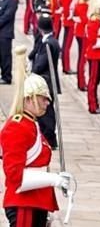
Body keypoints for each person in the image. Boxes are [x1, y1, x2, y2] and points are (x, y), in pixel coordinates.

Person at [3, 47, 71, 227]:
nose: (47, 102)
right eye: (43, 98)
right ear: (30, 98)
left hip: (36, 202)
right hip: (24, 203)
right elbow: (16, 176)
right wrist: (53, 178)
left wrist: (56, 181)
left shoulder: (32, 125)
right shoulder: (18, 127)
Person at [28, 13, 60, 149]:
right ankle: (50, 138)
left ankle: (49, 138)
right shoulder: (51, 41)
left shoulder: (48, 43)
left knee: (44, 111)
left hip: (45, 80)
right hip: (48, 80)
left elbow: (41, 64)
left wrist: (32, 73)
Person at [0, 0, 15, 84]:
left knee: (5, 55)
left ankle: (7, 76)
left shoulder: (11, 1)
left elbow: (7, 17)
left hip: (5, 33)